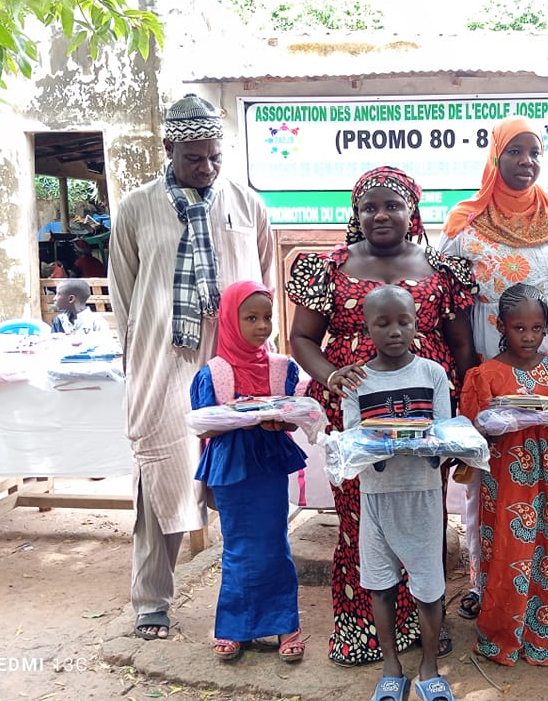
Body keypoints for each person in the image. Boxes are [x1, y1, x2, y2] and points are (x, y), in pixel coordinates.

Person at [287, 165, 477, 666]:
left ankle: (426, 628)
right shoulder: (329, 267)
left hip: (424, 413)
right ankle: (363, 629)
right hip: (356, 414)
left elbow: (462, 350)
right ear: (356, 213)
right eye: (369, 206)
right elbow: (302, 339)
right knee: (359, 517)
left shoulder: (442, 270)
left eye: (392, 204)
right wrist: (331, 376)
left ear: (412, 210)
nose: (381, 214)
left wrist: (463, 427)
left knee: (423, 515)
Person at [108, 93, 274, 641]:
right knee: (163, 473)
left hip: (236, 363)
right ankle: (152, 598)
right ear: (168, 148)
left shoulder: (248, 205)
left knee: (244, 473)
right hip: (167, 363)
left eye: (213, 158)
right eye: (192, 158)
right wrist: (138, 363)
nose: (204, 169)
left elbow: (264, 285)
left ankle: (250, 600)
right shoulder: (136, 207)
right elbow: (125, 296)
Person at [438, 116, 548, 624]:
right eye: (516, 152)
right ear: (495, 157)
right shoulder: (466, 223)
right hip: (493, 360)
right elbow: (449, 300)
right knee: (490, 473)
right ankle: (489, 584)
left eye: (535, 153)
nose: (526, 162)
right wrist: (465, 375)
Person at [459, 283, 548, 666]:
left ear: (547, 328)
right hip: (504, 483)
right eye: (519, 328)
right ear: (501, 326)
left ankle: (544, 628)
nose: (529, 336)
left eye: (537, 328)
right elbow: (470, 430)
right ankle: (503, 631)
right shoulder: (485, 376)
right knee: (507, 550)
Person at [342, 285, 454, 701]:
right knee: (380, 584)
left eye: (403, 321)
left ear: (416, 323)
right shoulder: (358, 379)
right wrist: (381, 442)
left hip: (422, 495)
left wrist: (424, 444)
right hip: (376, 496)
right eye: (382, 323)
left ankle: (429, 668)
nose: (394, 331)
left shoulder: (432, 374)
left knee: (429, 585)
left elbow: (443, 433)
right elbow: (353, 438)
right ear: (366, 327)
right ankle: (391, 666)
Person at [190, 281, 306, 663]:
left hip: (269, 462)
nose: (261, 326)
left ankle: (286, 623)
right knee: (238, 547)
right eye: (251, 317)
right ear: (229, 319)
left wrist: (280, 421)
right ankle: (233, 628)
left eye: (267, 317)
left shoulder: (281, 368)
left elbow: (292, 417)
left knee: (275, 542)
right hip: (232, 467)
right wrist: (238, 418)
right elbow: (204, 425)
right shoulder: (215, 372)